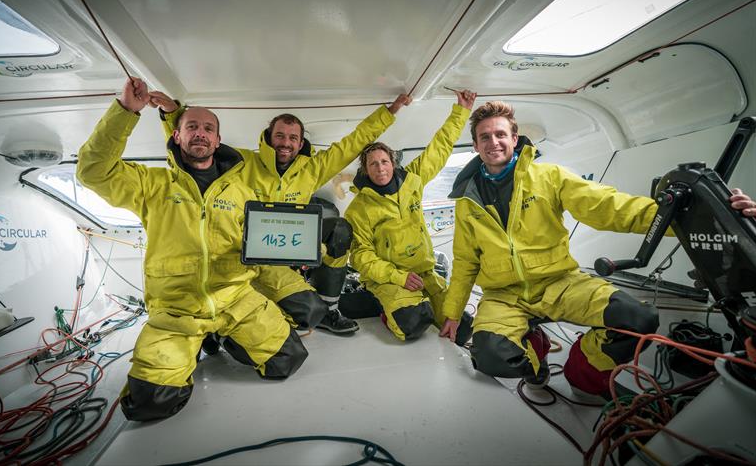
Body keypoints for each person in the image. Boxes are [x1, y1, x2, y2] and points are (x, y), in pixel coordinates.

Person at [438, 101, 756, 398]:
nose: (493, 142)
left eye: (500, 134)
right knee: (490, 357)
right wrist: (453, 314)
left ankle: (581, 371)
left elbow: (608, 207)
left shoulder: (548, 177)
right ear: (476, 145)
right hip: (503, 294)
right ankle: (537, 359)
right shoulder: (467, 202)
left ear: (514, 137)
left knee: (639, 319)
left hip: (559, 283)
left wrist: (689, 218)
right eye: (485, 137)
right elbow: (465, 261)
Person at [77, 78, 307, 421]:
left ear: (217, 140)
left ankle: (222, 338)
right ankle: (195, 343)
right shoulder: (151, 184)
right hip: (176, 310)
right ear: (177, 135)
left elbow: (261, 248)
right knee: (150, 404)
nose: (200, 133)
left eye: (208, 128)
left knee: (288, 360)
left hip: (235, 298)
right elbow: (93, 171)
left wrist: (301, 265)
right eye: (192, 127)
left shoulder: (242, 191)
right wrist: (125, 111)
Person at [150, 92, 409, 339]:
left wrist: (390, 112)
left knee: (340, 230)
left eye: (293, 138)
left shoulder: (313, 169)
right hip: (250, 257)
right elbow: (191, 149)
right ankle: (223, 326)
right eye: (280, 136)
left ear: (300, 142)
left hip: (292, 252)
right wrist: (173, 115)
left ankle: (330, 310)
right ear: (268, 137)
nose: (286, 143)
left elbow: (354, 142)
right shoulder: (243, 162)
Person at [344, 89, 476, 342]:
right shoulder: (358, 209)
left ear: (392, 163)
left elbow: (439, 148)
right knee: (412, 324)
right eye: (373, 164)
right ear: (365, 170)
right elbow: (361, 257)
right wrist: (398, 276)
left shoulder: (412, 181)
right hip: (390, 278)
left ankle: (426, 302)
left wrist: (461, 112)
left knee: (464, 326)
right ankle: (391, 311)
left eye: (384, 161)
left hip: (425, 273)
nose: (380, 167)